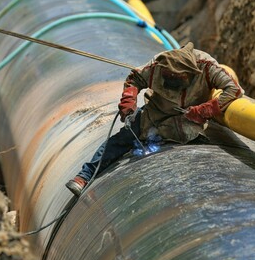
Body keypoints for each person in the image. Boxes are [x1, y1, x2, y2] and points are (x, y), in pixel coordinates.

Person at [65, 42, 244, 196]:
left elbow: (234, 90)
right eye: (168, 78)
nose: (171, 83)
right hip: (154, 113)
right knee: (122, 139)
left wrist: (203, 110)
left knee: (195, 147)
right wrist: (128, 101)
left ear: (190, 74)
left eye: (176, 79)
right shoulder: (159, 64)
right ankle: (84, 176)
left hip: (186, 119)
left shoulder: (206, 66)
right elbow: (134, 79)